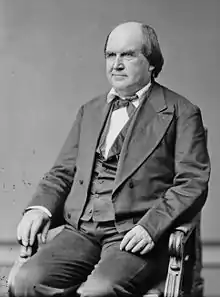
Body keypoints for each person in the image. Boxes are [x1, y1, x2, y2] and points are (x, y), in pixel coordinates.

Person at [9, 21, 210, 297]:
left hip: (134, 234)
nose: (116, 64)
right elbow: (63, 172)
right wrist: (39, 209)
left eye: (127, 55)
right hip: (82, 230)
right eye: (110, 55)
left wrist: (151, 227)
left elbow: (192, 182)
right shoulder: (89, 111)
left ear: (151, 63)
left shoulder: (181, 112)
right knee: (26, 282)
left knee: (98, 292)